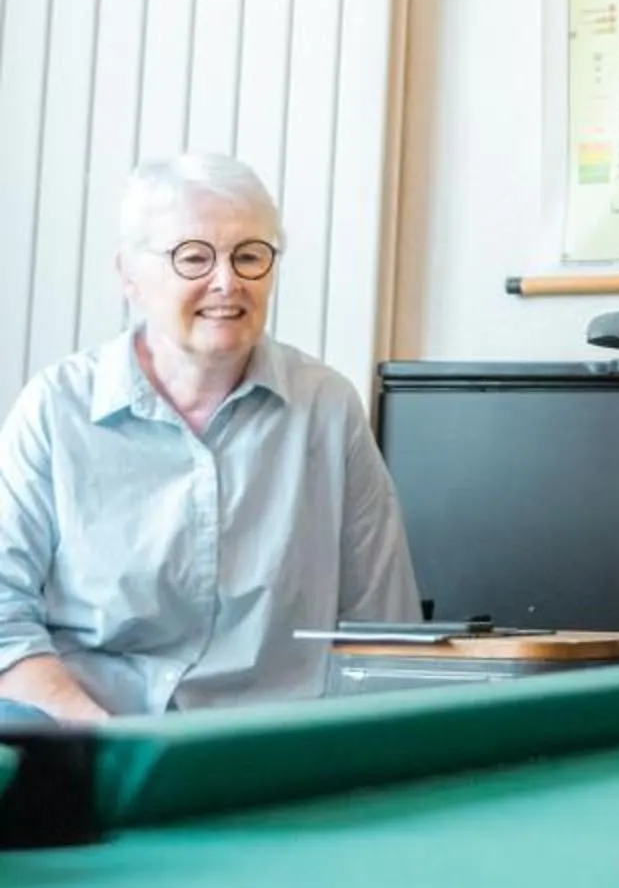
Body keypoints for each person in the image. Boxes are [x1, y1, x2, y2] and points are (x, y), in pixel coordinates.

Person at [0, 153, 421, 722]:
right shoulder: (56, 408)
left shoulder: (327, 409)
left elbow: (386, 634)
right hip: (86, 740)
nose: (227, 282)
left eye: (249, 256)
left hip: (269, 749)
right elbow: (4, 623)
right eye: (194, 257)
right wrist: (106, 742)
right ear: (129, 275)